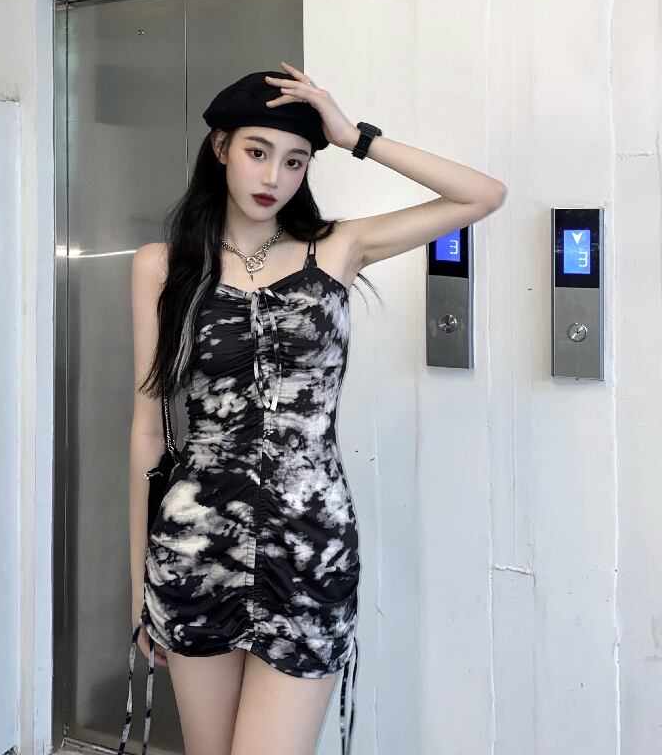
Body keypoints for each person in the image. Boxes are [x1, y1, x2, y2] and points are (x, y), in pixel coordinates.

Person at [122, 61, 507, 755]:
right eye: (257, 151)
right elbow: (148, 431)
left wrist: (355, 136)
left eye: (295, 161)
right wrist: (136, 587)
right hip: (194, 548)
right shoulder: (162, 264)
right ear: (221, 147)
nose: (273, 177)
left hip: (309, 549)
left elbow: (482, 194)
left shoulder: (337, 248)